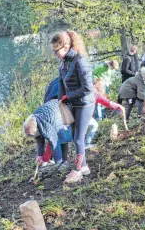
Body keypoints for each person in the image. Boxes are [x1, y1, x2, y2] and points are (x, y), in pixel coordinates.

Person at [51, 30, 95, 183]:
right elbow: (62, 83)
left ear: (66, 46)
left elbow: (88, 88)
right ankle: (83, 166)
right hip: (73, 104)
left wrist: (68, 96)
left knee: (78, 139)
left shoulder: (80, 61)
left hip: (85, 104)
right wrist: (61, 100)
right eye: (54, 51)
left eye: (56, 51)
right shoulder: (63, 63)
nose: (55, 54)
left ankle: (77, 170)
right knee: (74, 136)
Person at [23, 100, 73, 173]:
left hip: (68, 115)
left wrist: (57, 163)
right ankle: (62, 162)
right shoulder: (34, 120)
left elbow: (55, 144)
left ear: (36, 130)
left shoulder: (46, 127)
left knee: (61, 138)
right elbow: (38, 137)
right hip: (57, 111)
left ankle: (63, 163)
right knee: (57, 139)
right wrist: (40, 155)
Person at [85, 78, 125, 148]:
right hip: (83, 115)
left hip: (78, 113)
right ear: (97, 85)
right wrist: (119, 106)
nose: (103, 88)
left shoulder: (86, 89)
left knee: (93, 125)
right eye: (102, 86)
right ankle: (84, 146)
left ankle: (84, 144)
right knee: (90, 127)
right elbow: (108, 103)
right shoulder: (95, 94)